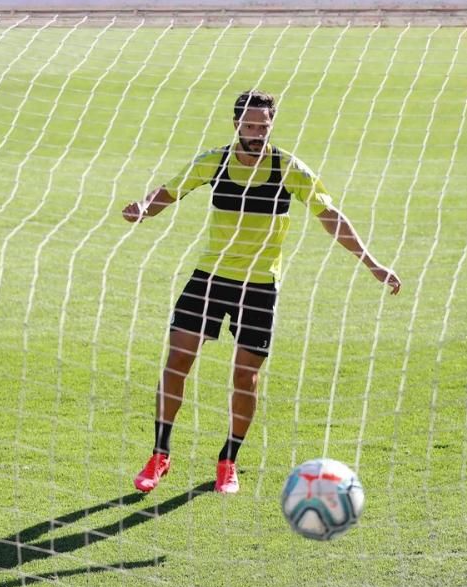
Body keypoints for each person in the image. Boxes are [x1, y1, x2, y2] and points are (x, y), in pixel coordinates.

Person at [122, 90, 401, 495]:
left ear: (272, 125)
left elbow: (330, 216)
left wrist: (373, 264)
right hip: (210, 278)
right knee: (177, 360)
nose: (256, 133)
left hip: (259, 287)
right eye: (250, 125)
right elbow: (168, 192)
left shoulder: (288, 169)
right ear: (236, 124)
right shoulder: (213, 162)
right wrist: (144, 208)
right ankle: (160, 454)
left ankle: (228, 461)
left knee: (244, 377)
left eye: (263, 126)